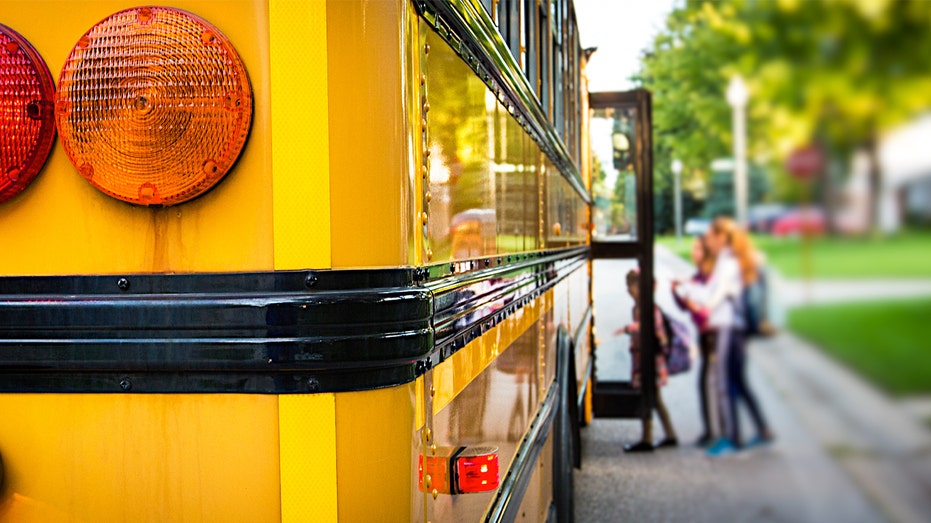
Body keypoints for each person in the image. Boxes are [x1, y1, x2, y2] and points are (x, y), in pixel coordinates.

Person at [701, 217, 774, 456]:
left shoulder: (728, 259)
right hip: (737, 328)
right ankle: (763, 430)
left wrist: (707, 307)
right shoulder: (736, 258)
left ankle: (731, 438)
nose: (708, 242)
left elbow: (722, 291)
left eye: (711, 237)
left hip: (728, 327)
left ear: (722, 238)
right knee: (738, 381)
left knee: (724, 381)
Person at [616, 268, 678, 452]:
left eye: (632, 285)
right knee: (655, 399)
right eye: (628, 286)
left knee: (649, 397)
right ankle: (669, 435)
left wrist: (629, 328)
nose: (629, 290)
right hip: (642, 358)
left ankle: (648, 438)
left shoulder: (648, 308)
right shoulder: (638, 307)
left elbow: (653, 328)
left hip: (650, 360)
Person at [672, 236, 719, 447]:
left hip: (715, 336)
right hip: (706, 335)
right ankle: (713, 430)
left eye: (697, 249)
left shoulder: (710, 278)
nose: (693, 252)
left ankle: (716, 432)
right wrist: (676, 293)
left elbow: (704, 312)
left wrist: (691, 303)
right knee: (711, 383)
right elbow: (685, 307)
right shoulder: (699, 277)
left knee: (714, 383)